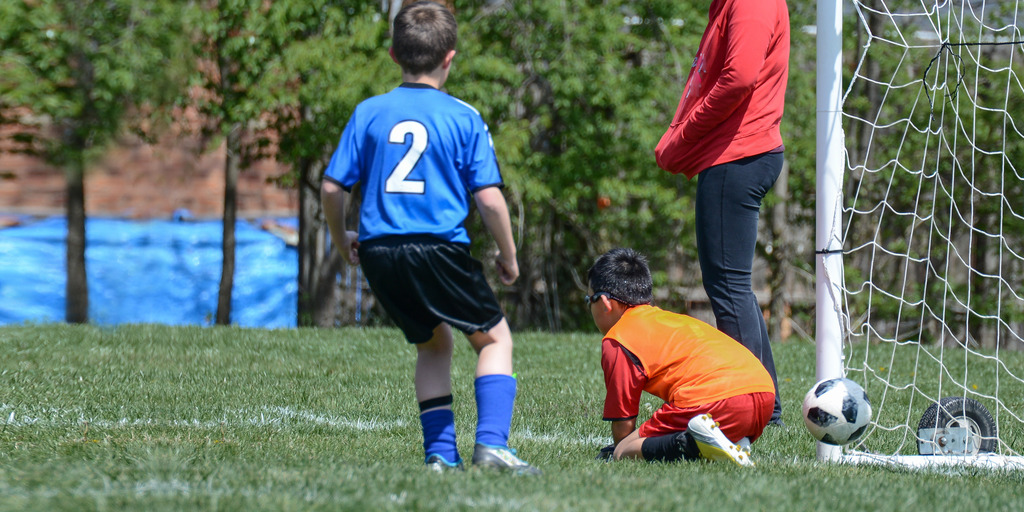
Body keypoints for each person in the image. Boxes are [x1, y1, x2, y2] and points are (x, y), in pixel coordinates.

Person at [320, 1, 538, 475]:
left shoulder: (369, 112)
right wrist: (509, 254)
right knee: (494, 339)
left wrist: (343, 242)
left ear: (394, 54)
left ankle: (440, 456)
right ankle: (492, 447)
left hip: (380, 250)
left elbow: (333, 187)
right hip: (438, 246)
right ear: (450, 57)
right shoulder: (462, 116)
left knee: (433, 345)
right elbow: (490, 199)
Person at [653, 0, 790, 425]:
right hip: (738, 156)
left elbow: (740, 77)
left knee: (728, 289)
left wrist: (686, 134)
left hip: (738, 157)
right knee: (733, 289)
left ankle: (754, 408)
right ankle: (768, 406)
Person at [587, 248, 775, 466]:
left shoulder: (618, 339)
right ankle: (732, 439)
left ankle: (693, 444)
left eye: (588, 299)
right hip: (763, 396)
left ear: (604, 302)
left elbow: (623, 422)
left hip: (719, 400)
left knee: (624, 451)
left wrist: (620, 448)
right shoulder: (669, 320)